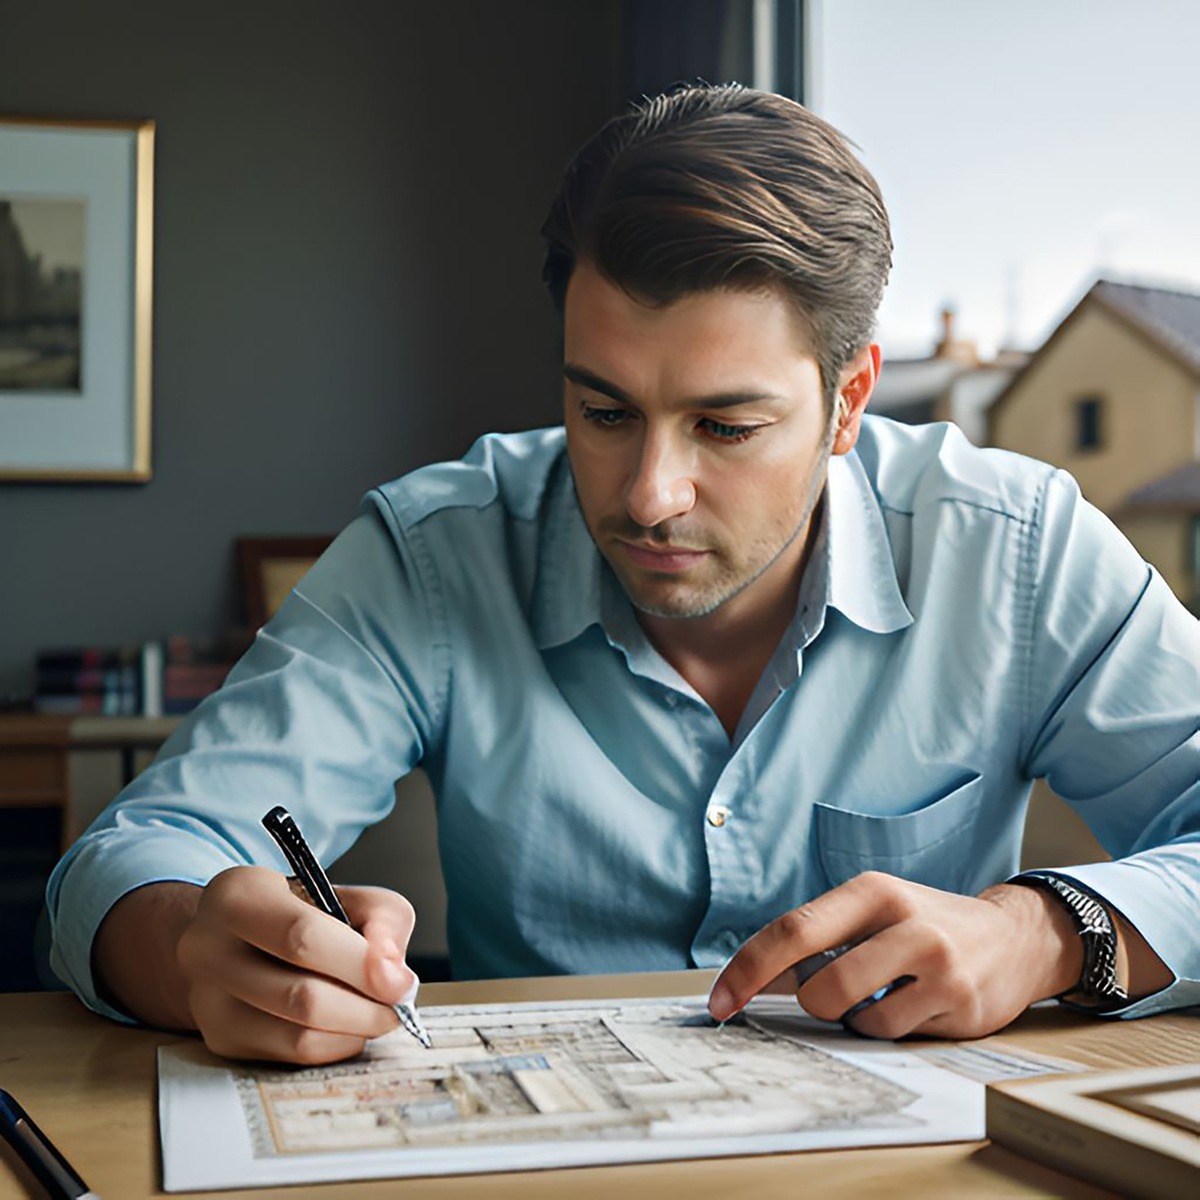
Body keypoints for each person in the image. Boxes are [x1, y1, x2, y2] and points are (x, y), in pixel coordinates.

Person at [47, 84, 1198, 1066]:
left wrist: (1049, 935)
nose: (648, 493)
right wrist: (193, 948)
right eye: (603, 410)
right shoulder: (436, 553)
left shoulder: (1017, 551)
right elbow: (129, 861)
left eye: (727, 426)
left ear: (849, 402)